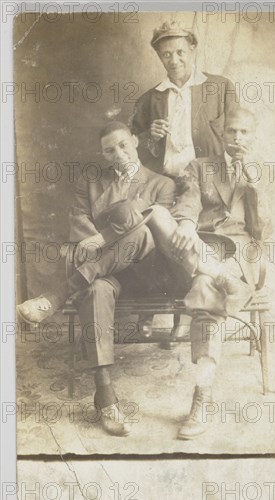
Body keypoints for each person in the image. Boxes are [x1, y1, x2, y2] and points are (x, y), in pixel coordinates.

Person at [17, 121, 251, 438]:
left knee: (145, 225)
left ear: (135, 143)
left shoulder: (162, 184)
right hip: (110, 272)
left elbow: (154, 237)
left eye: (123, 145)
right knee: (97, 287)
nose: (118, 154)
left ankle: (58, 295)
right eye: (109, 150)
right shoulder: (90, 182)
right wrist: (110, 235)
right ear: (102, 154)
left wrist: (109, 234)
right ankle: (106, 397)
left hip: (157, 272)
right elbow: (80, 233)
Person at [170, 107, 269, 440]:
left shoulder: (262, 173)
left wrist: (256, 186)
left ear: (253, 136)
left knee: (205, 287)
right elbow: (187, 202)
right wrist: (185, 222)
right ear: (221, 135)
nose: (237, 138)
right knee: (204, 278)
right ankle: (204, 396)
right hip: (203, 247)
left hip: (241, 254)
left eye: (244, 132)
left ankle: (202, 395)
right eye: (231, 132)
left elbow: (265, 230)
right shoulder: (200, 167)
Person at [131, 20, 238, 178]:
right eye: (166, 55)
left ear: (192, 50)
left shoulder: (221, 88)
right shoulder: (147, 100)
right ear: (159, 56)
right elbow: (130, 150)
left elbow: (240, 137)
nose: (174, 61)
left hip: (211, 185)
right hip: (164, 184)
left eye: (180, 52)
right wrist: (149, 137)